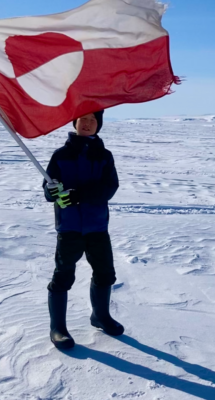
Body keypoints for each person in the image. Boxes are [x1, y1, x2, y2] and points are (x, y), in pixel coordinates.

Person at [43, 110, 124, 349]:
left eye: (93, 120)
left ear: (98, 124)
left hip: (97, 226)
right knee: (63, 276)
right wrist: (54, 192)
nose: (87, 123)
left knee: (105, 273)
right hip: (69, 227)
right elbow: (49, 190)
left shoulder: (105, 156)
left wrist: (81, 195)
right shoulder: (61, 155)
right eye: (83, 119)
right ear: (75, 122)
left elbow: (110, 187)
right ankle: (57, 328)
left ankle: (100, 316)